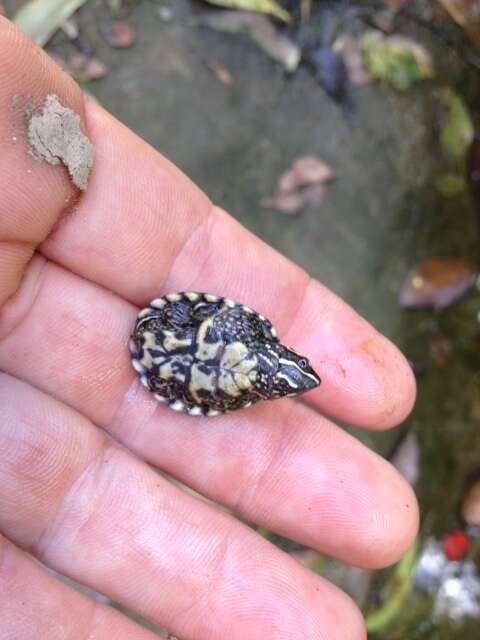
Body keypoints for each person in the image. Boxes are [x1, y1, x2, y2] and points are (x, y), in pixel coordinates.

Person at [0, 16, 418, 640]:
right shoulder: (251, 348)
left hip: (193, 358)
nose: (297, 373)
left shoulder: (254, 362)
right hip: (185, 350)